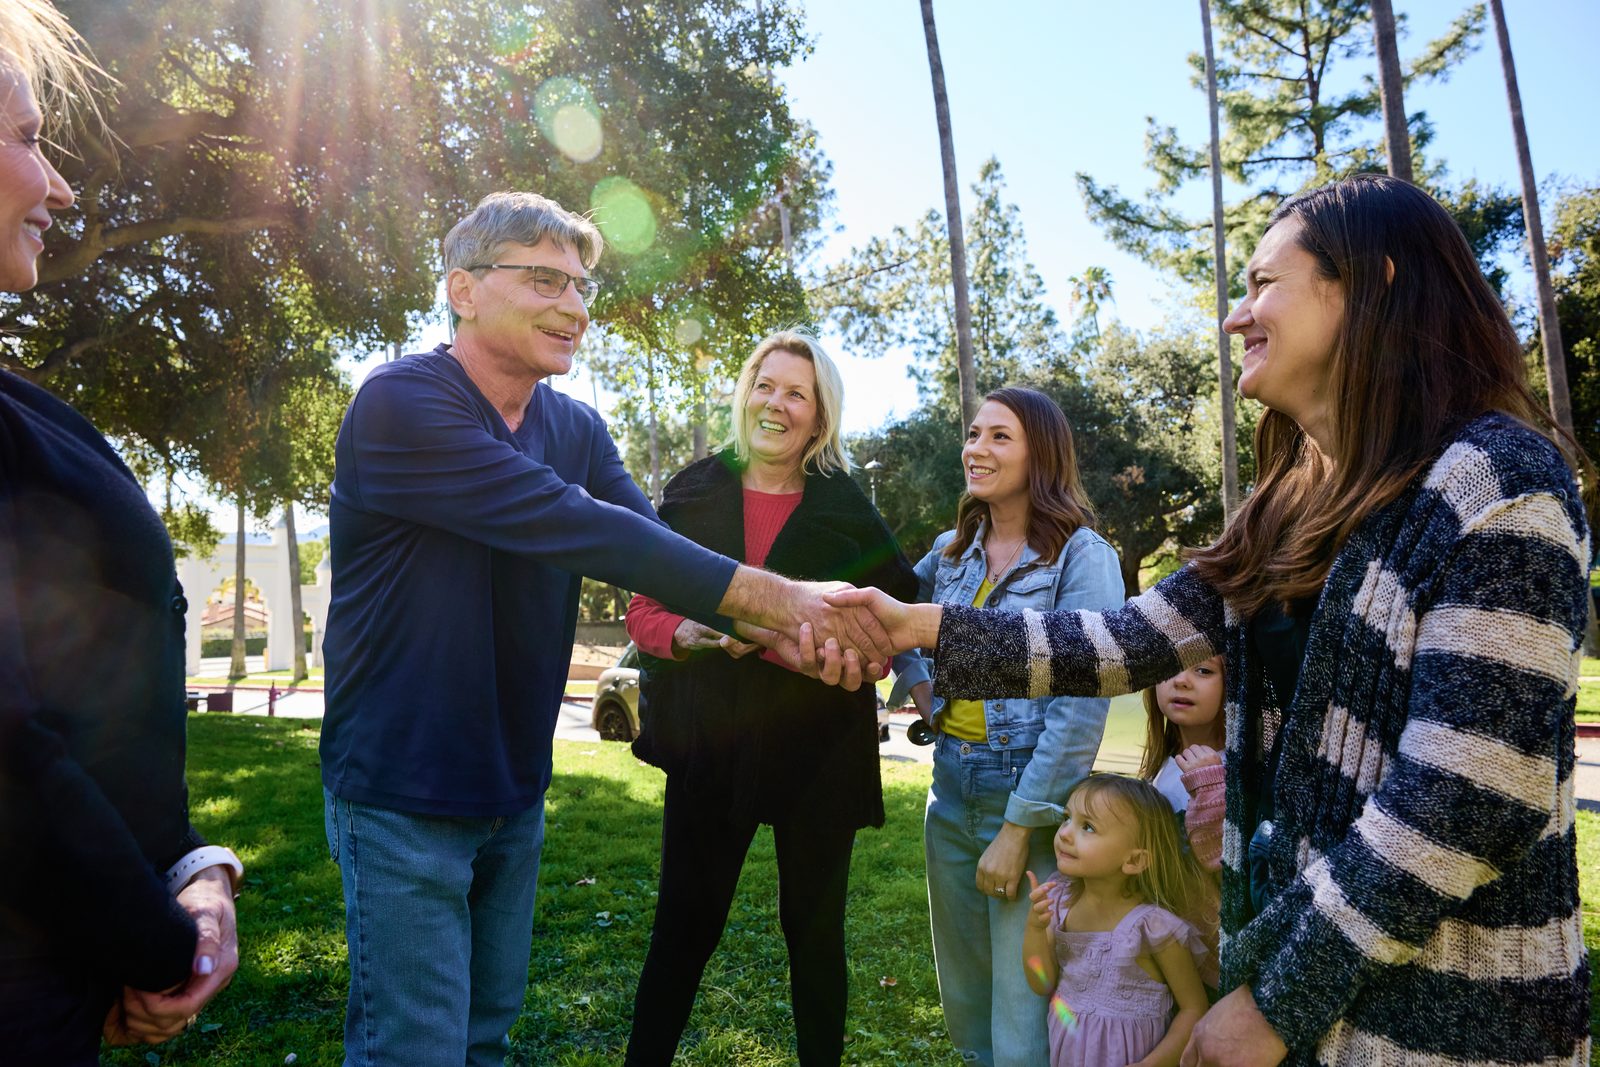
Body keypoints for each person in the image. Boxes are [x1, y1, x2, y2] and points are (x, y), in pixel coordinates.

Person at [831, 174, 1594, 1066]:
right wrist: (915, 624)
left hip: (1448, 1025)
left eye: (1266, 283)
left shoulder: (1500, 483)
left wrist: (1276, 1003)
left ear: (1374, 284)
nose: (1236, 316)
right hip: (1302, 998)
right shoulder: (1289, 506)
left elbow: (1466, 798)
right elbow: (1118, 644)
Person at [319, 195, 888, 1067]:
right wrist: (784, 601)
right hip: (402, 787)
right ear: (463, 289)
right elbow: (589, 530)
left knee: (482, 1039)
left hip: (512, 784)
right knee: (413, 1050)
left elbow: (659, 555)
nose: (577, 308)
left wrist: (804, 633)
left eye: (582, 286)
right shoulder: (403, 404)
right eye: (544, 280)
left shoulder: (574, 428)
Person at [0, 2, 242, 1061]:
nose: (58, 186)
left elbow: (74, 689)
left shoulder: (28, 407)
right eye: (26, 138)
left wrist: (194, 867)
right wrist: (156, 943)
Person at [619, 330, 918, 1066]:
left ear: (819, 419)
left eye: (797, 393)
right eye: (765, 384)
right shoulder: (693, 491)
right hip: (708, 741)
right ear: (744, 393)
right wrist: (698, 631)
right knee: (683, 926)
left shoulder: (847, 508)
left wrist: (847, 656)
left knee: (814, 935)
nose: (776, 404)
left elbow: (891, 622)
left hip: (817, 747)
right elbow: (643, 614)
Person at [890, 386, 1124, 1067]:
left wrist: (1021, 826)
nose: (976, 448)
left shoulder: (1082, 557)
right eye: (973, 433)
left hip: (1030, 797)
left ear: (1040, 453)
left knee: (1022, 1017)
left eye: (999, 436)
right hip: (950, 787)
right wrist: (922, 688)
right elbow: (894, 612)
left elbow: (1082, 703)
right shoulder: (952, 550)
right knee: (966, 1003)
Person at [1022, 775, 1209, 1067]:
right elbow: (1040, 983)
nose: (1066, 834)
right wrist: (1035, 928)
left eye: (1088, 827)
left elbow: (1194, 1009)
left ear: (1134, 861)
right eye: (1067, 818)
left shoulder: (1153, 928)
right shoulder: (1060, 902)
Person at [1138, 658, 1226, 872]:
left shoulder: (1237, 771)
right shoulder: (1162, 765)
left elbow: (1220, 864)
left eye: (1204, 670)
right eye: (1170, 666)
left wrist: (1210, 789)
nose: (1180, 681)